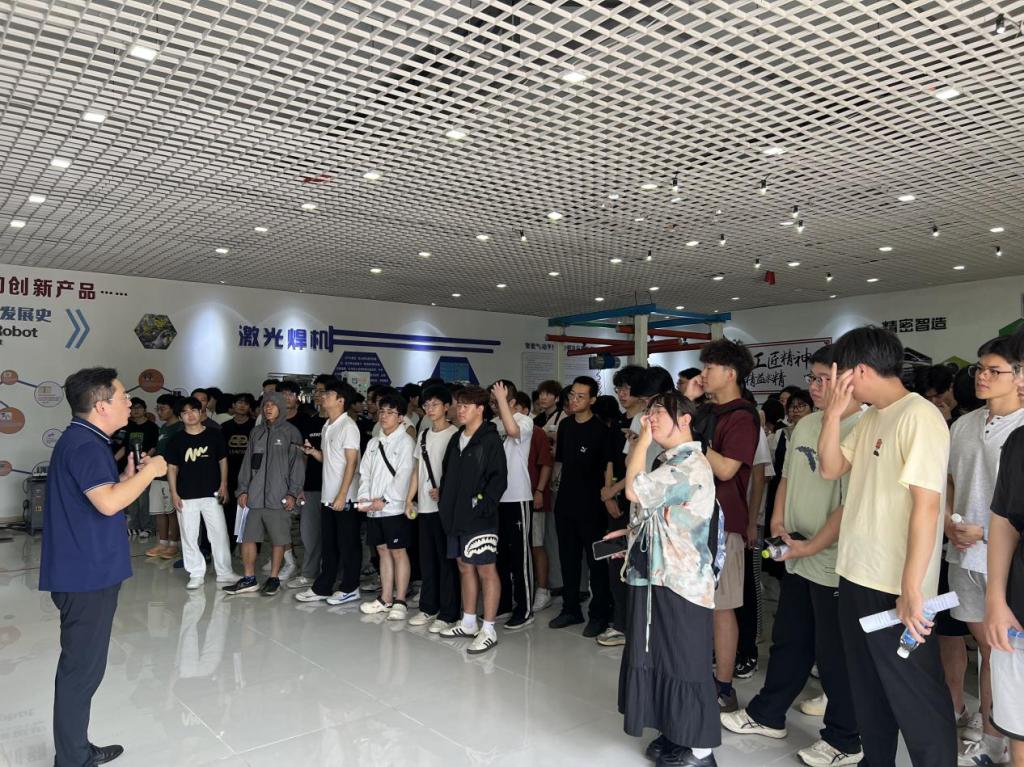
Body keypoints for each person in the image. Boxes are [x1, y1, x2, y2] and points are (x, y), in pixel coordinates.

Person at [722, 345, 866, 767]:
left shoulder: (862, 428)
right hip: (798, 554)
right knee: (790, 640)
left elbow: (850, 505)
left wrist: (813, 545)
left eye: (824, 379)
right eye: (812, 377)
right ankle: (768, 714)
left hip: (834, 562)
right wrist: (778, 522)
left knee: (836, 657)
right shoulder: (806, 425)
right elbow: (786, 477)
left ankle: (845, 740)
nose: (814, 387)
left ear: (848, 381)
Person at [818, 325, 955, 765]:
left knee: (917, 697)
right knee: (868, 689)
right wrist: (833, 415)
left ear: (858, 370)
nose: (834, 385)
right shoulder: (872, 416)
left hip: (896, 584)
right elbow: (829, 468)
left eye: (838, 376)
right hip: (856, 572)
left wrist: (912, 588)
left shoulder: (920, 416)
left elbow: (927, 507)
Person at [40, 367, 168, 767]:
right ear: (100, 405)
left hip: (85, 570)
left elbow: (106, 496)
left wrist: (127, 477)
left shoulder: (86, 440)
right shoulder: (85, 445)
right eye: (122, 396)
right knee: (81, 671)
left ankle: (75, 749)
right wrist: (151, 472)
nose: (130, 403)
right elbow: (109, 503)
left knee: (83, 669)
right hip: (85, 575)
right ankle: (72, 759)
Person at [611, 391, 720, 767]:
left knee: (685, 663)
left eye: (660, 412)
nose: (651, 418)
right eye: (650, 411)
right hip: (658, 575)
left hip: (681, 581)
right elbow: (653, 512)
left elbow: (633, 490)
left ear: (685, 419)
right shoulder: (669, 460)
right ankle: (675, 734)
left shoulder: (689, 464)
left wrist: (641, 440)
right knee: (662, 658)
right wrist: (629, 538)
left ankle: (701, 751)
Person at [945, 337, 1024, 765]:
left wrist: (987, 533)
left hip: (1006, 561)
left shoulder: (1022, 428)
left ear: (1019, 376)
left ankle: (995, 739)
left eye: (995, 370)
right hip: (963, 555)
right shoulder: (963, 425)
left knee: (1001, 652)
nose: (982, 376)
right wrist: (948, 523)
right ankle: (992, 732)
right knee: (989, 648)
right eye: (980, 368)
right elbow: (948, 483)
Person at [689, 338, 760, 713]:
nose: (703, 375)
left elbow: (728, 469)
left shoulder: (742, 417)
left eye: (709, 368)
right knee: (696, 604)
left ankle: (724, 685)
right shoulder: (705, 411)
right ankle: (697, 672)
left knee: (722, 605)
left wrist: (696, 442)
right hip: (692, 518)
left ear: (730, 374)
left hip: (723, 522)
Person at [438, 385, 508, 654]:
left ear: (480, 409)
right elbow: (447, 474)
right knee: (464, 566)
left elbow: (498, 479)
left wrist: (480, 505)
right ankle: (468, 621)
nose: (460, 410)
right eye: (459, 405)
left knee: (485, 569)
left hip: (480, 518)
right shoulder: (457, 438)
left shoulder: (490, 440)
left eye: (466, 405)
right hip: (455, 516)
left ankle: (488, 628)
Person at [550, 376, 614, 636]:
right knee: (568, 559)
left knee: (596, 561)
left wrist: (608, 498)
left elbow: (608, 468)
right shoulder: (565, 425)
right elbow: (560, 462)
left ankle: (599, 614)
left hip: (592, 506)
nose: (574, 400)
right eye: (572, 395)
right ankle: (570, 609)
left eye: (580, 396)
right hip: (566, 502)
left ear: (592, 400)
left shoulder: (601, 430)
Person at [224, 391, 304, 596]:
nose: (268, 408)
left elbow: (297, 465)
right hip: (255, 496)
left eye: (273, 405)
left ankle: (274, 578)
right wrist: (243, 489)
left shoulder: (291, 432)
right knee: (248, 537)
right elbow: (247, 462)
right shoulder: (256, 432)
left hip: (279, 496)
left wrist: (293, 493)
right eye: (265, 405)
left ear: (281, 408)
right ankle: (249, 578)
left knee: (278, 539)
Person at [295, 379, 363, 606]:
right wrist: (313, 453)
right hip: (328, 496)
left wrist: (342, 495)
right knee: (329, 544)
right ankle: (323, 586)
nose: (323, 397)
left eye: (328, 394)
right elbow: (331, 459)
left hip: (345, 498)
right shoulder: (327, 426)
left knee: (348, 544)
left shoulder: (348, 426)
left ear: (340, 400)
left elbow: (351, 463)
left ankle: (350, 588)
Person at [165, 397, 239, 589]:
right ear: (180, 417)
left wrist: (224, 484)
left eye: (193, 410)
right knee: (189, 536)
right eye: (185, 412)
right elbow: (172, 468)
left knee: (219, 534)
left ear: (200, 412)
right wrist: (174, 493)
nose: (190, 415)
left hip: (211, 493)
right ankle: (196, 573)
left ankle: (224, 572)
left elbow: (223, 460)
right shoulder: (176, 440)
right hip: (185, 495)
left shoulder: (214, 434)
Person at [404, 385, 460, 631]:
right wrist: (409, 498)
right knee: (427, 560)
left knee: (446, 561)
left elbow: (458, 473)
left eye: (435, 404)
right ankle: (428, 606)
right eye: (426, 405)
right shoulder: (424, 435)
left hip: (445, 509)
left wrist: (444, 492)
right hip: (425, 507)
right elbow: (417, 469)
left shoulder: (455, 435)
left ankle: (448, 613)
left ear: (446, 407)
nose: (429, 408)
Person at [356, 391, 416, 620]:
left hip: (395, 508)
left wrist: (386, 500)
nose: (384, 416)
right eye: (382, 411)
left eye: (390, 412)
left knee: (398, 552)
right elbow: (365, 474)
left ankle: (400, 600)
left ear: (401, 418)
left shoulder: (406, 442)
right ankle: (385, 598)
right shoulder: (373, 442)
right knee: (382, 551)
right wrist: (365, 498)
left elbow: (404, 475)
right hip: (374, 509)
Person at [986, 415, 1024, 767]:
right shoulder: (1019, 442)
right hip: (1018, 617)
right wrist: (995, 599)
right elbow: (1004, 521)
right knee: (1020, 736)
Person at [490, 379, 536, 630]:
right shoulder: (492, 424)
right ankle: (504, 603)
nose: (495, 406)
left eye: (499, 401)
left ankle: (525, 608)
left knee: (520, 555)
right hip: (496, 498)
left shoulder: (523, 420)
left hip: (517, 497)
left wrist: (502, 402)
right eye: (492, 402)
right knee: (499, 555)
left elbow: (513, 431)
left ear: (512, 402)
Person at [285, 376, 331, 589]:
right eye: (317, 391)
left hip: (335, 488)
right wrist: (300, 485)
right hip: (312, 486)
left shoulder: (343, 424)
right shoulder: (309, 422)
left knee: (334, 535)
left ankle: (334, 573)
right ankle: (310, 573)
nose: (318, 395)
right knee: (309, 533)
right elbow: (303, 456)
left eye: (323, 391)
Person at [514, 391, 554, 613]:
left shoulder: (536, 433)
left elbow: (546, 464)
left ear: (525, 410)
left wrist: (539, 491)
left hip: (533, 496)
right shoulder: (502, 431)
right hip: (513, 498)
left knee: (536, 544)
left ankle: (543, 590)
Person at [146, 393, 183, 560]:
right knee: (159, 510)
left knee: (171, 512)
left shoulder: (179, 428)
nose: (159, 412)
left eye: (163, 408)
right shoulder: (163, 428)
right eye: (158, 408)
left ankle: (173, 544)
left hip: (171, 477)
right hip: (157, 475)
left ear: (173, 409)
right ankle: (162, 542)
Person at [118, 397, 159, 537]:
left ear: (145, 409)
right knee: (132, 498)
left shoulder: (152, 427)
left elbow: (154, 447)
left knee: (144, 500)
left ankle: (148, 527)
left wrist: (144, 461)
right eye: (132, 408)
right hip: (129, 468)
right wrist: (112, 460)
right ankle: (134, 526)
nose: (135, 410)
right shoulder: (128, 426)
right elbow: (124, 447)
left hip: (144, 467)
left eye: (138, 407)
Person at [220, 393, 255, 552]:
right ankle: (230, 546)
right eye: (239, 403)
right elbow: (221, 454)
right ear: (233, 405)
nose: (242, 406)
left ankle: (249, 548)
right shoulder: (225, 427)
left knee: (250, 513)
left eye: (246, 403)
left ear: (250, 407)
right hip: (230, 475)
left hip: (251, 477)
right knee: (229, 513)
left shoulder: (255, 427)